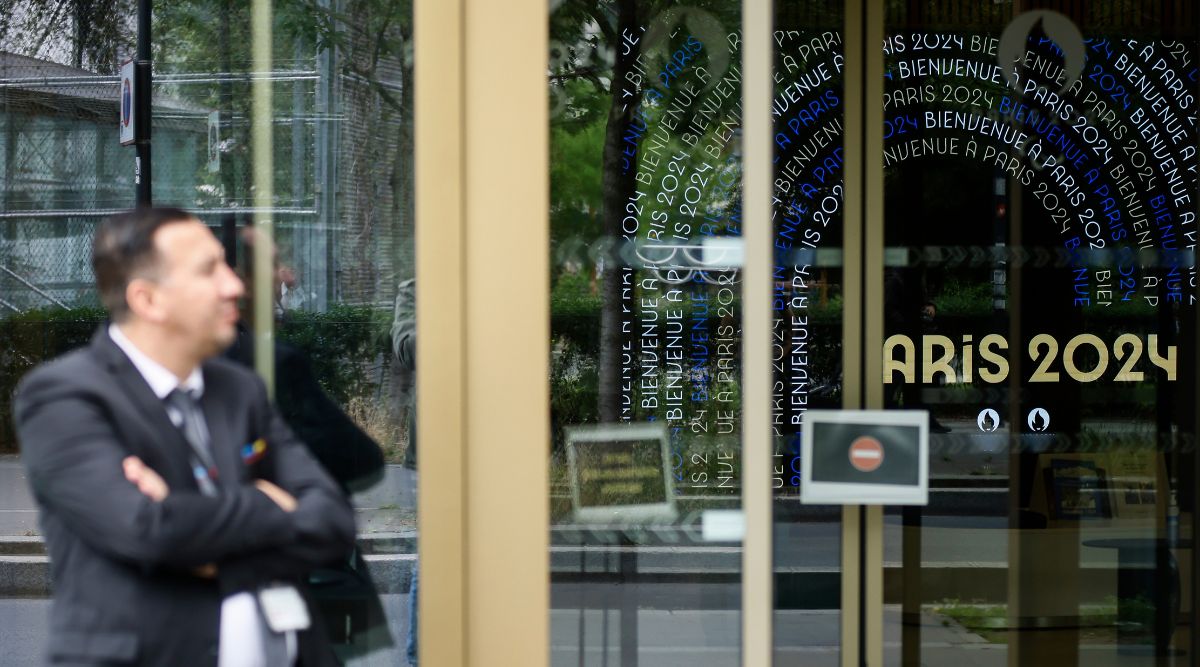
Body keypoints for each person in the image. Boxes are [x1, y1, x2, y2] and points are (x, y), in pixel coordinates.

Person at [14, 207, 356, 666]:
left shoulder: (240, 389)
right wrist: (269, 501)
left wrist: (197, 538)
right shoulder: (63, 397)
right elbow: (147, 530)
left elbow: (333, 523)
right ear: (148, 300)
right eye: (208, 271)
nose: (234, 286)